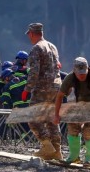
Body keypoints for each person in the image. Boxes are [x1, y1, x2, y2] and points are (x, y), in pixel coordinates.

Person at [21, 22, 63, 160]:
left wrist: (27, 89)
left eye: (29, 35)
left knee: (32, 118)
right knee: (52, 119)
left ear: (32, 34)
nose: (29, 37)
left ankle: (47, 146)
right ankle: (57, 151)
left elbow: (34, 72)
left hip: (42, 88)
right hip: (56, 87)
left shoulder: (36, 48)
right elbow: (57, 67)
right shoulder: (53, 47)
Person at [55, 58, 90, 165]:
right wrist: (56, 115)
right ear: (74, 71)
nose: (82, 76)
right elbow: (59, 96)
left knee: (89, 129)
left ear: (87, 69)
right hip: (81, 103)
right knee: (72, 126)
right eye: (79, 74)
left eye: (84, 73)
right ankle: (74, 156)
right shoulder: (70, 77)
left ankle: (89, 158)